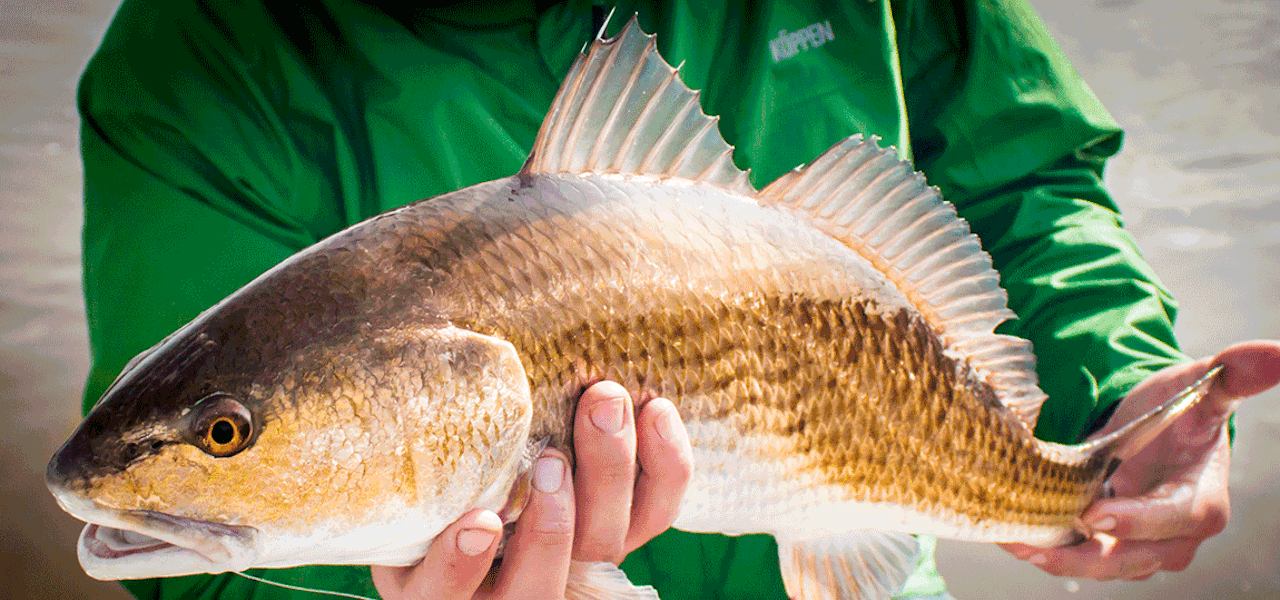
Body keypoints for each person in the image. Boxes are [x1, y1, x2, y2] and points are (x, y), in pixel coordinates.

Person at [75, 0, 1280, 598]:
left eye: (226, 437)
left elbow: (1021, 161)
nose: (220, 444)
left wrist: (1115, 386)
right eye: (230, 434)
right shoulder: (200, 63)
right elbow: (208, 578)